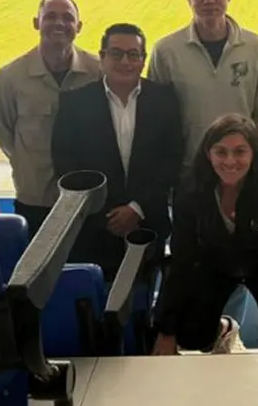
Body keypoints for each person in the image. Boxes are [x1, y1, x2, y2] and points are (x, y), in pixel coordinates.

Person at [152, 114, 258, 355]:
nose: (230, 161)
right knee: (191, 337)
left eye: (240, 152)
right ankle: (224, 328)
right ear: (208, 154)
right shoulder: (189, 190)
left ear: (253, 154)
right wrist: (166, 330)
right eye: (221, 152)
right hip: (214, 261)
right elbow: (182, 259)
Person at [52, 23, 182, 279]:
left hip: (148, 224)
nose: (125, 62)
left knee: (143, 296)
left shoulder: (164, 100)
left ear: (143, 60)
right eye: (116, 53)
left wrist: (136, 208)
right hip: (93, 228)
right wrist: (106, 214)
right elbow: (65, 163)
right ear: (102, 57)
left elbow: (172, 160)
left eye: (133, 54)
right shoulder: (75, 103)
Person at [147, 0, 258, 183]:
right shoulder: (166, 51)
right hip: (189, 172)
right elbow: (157, 119)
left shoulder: (256, 47)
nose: (209, 0)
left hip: (240, 169)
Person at [0, 0, 101, 236]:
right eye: (50, 16)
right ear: (36, 22)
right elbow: (4, 132)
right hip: (36, 198)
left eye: (68, 18)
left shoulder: (98, 71)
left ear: (79, 26)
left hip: (87, 198)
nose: (59, 23)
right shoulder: (10, 77)